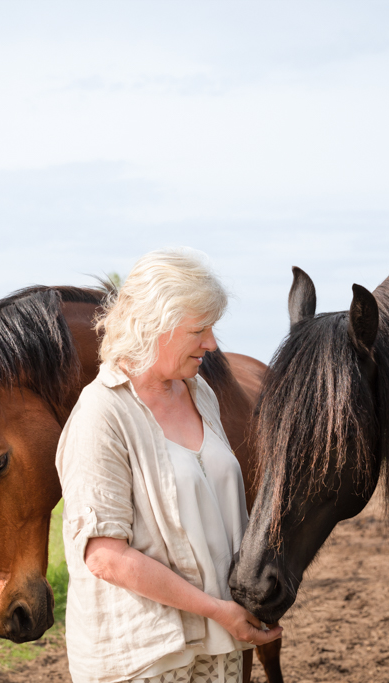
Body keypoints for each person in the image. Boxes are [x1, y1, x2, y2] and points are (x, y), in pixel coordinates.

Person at [56, 248, 282, 683]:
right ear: (152, 326)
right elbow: (106, 557)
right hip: (146, 658)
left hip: (218, 645)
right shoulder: (101, 415)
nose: (212, 344)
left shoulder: (201, 394)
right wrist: (216, 610)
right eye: (198, 329)